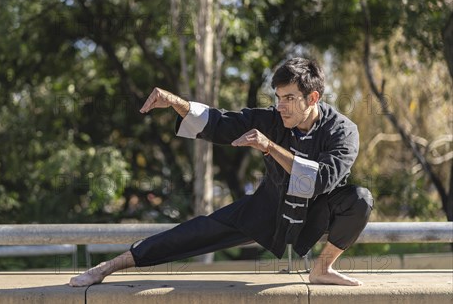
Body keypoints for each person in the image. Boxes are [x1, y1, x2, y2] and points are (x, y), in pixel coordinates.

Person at [69, 57, 373, 287]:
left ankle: (322, 269)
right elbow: (220, 122)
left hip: (316, 212)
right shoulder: (273, 118)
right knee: (196, 232)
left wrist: (269, 147)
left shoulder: (343, 132)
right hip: (269, 205)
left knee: (360, 198)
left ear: (313, 98)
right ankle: (109, 266)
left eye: (289, 98)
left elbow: (319, 181)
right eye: (278, 98)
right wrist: (176, 103)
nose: (281, 106)